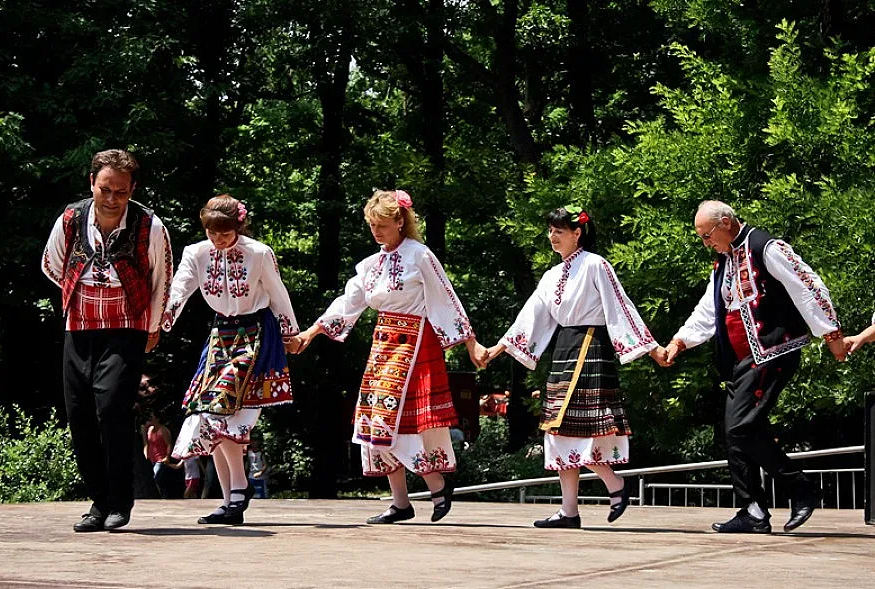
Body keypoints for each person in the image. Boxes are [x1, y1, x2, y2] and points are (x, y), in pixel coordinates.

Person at [295, 189, 488, 524]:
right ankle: (401, 502)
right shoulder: (371, 265)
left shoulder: (420, 255)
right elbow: (349, 301)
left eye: (382, 224)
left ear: (400, 221)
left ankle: (435, 481)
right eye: (372, 225)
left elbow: (446, 298)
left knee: (397, 418)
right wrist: (311, 332)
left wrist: (469, 342)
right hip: (383, 344)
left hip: (415, 342)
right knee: (373, 419)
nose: (376, 231)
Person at [661, 200, 845, 534]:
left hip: (773, 349)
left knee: (742, 428)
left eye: (707, 235)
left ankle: (801, 488)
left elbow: (807, 285)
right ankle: (753, 510)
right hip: (741, 360)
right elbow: (709, 308)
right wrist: (680, 341)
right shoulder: (723, 263)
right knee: (733, 433)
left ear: (727, 222)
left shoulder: (766, 247)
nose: (706, 243)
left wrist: (830, 332)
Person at [484, 206, 666, 529]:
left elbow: (620, 306)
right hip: (564, 350)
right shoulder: (550, 277)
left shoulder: (596, 265)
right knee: (558, 429)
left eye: (560, 231)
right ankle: (571, 510)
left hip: (590, 346)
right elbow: (531, 317)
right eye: (550, 231)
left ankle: (614, 486)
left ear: (577, 233)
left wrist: (651, 348)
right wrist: (497, 348)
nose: (553, 236)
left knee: (579, 427)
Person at [41, 149, 173, 532]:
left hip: (126, 327)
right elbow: (53, 263)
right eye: (105, 189)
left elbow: (161, 278)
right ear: (92, 184)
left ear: (132, 189)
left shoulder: (149, 225)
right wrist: (80, 293)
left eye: (121, 191)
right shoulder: (70, 219)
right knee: (79, 414)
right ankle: (97, 503)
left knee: (112, 408)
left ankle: (120, 501)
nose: (112, 198)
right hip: (79, 326)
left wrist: (153, 327)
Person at [162, 194, 299, 526]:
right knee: (207, 413)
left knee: (221, 406)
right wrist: (163, 320)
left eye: (225, 233)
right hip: (220, 334)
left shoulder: (258, 253)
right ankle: (231, 500)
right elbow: (180, 288)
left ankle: (239, 489)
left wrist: (290, 332)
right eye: (212, 233)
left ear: (239, 226)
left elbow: (277, 292)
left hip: (256, 332)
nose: (218, 240)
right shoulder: (196, 253)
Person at [142, 410, 173, 498]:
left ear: (157, 418)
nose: (150, 419)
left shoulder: (163, 430)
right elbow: (147, 444)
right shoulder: (150, 429)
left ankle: (158, 497)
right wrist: (145, 455)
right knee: (154, 480)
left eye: (152, 417)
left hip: (160, 459)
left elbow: (169, 444)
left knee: (154, 478)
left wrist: (167, 457)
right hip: (151, 459)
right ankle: (162, 495)